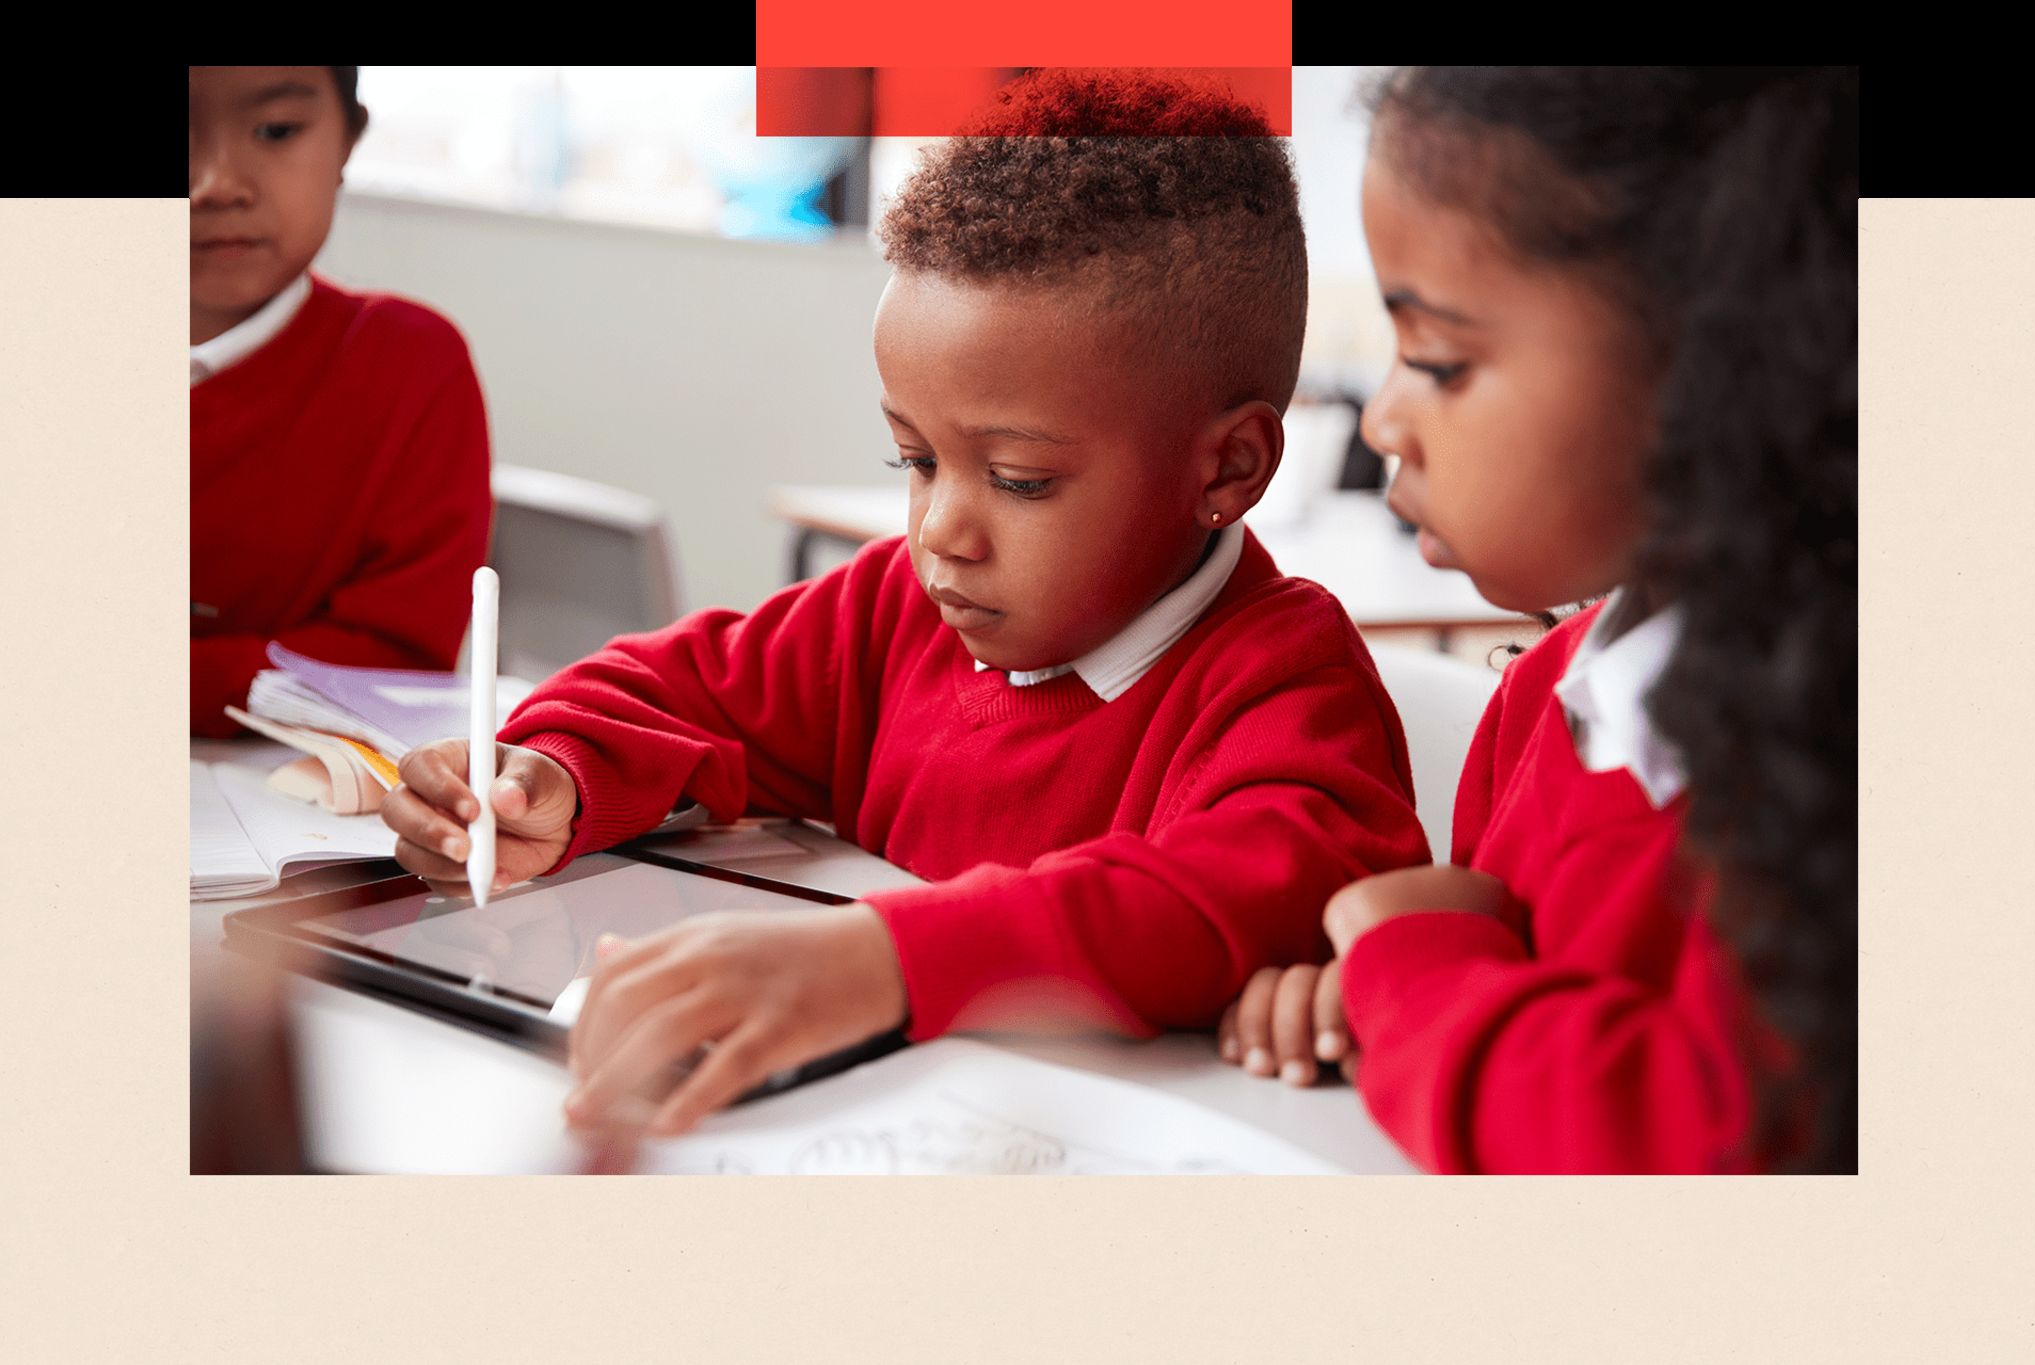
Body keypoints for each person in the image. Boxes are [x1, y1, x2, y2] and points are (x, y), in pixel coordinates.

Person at [381, 69, 1432, 1138]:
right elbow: (671, 685)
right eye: (915, 459)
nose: (939, 530)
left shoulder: (1286, 679)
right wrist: (549, 773)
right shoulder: (899, 610)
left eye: (1018, 480)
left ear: (1227, 469)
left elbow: (1232, 895)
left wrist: (881, 959)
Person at [1219, 66, 1857, 1174]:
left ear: (1720, 360)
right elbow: (1496, 973)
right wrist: (1359, 994)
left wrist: (1413, 969)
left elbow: (1702, 1153)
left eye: (1437, 360)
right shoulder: (1538, 701)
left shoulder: (1830, 753)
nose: (1382, 420)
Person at [190, 65, 492, 737]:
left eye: (276, 131)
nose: (217, 183)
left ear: (348, 142)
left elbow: (392, 663)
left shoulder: (411, 366)